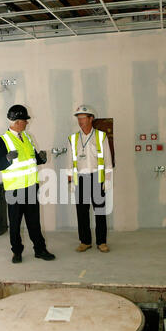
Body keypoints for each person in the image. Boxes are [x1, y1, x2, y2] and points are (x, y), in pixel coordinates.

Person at [0, 104, 55, 263]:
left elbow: (33, 158)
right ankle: (17, 252)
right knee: (15, 224)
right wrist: (7, 158)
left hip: (30, 188)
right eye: (24, 120)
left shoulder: (27, 137)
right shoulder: (2, 140)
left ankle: (40, 250)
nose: (27, 123)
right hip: (14, 190)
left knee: (34, 222)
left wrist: (41, 158)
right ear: (16, 121)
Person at [67, 104, 113, 253]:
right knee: (81, 212)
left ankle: (102, 242)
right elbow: (69, 162)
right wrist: (71, 182)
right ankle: (85, 241)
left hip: (97, 179)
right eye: (78, 119)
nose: (80, 121)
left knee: (100, 212)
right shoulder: (73, 138)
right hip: (80, 179)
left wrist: (107, 179)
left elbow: (108, 159)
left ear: (91, 119)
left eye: (83, 118)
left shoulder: (101, 136)